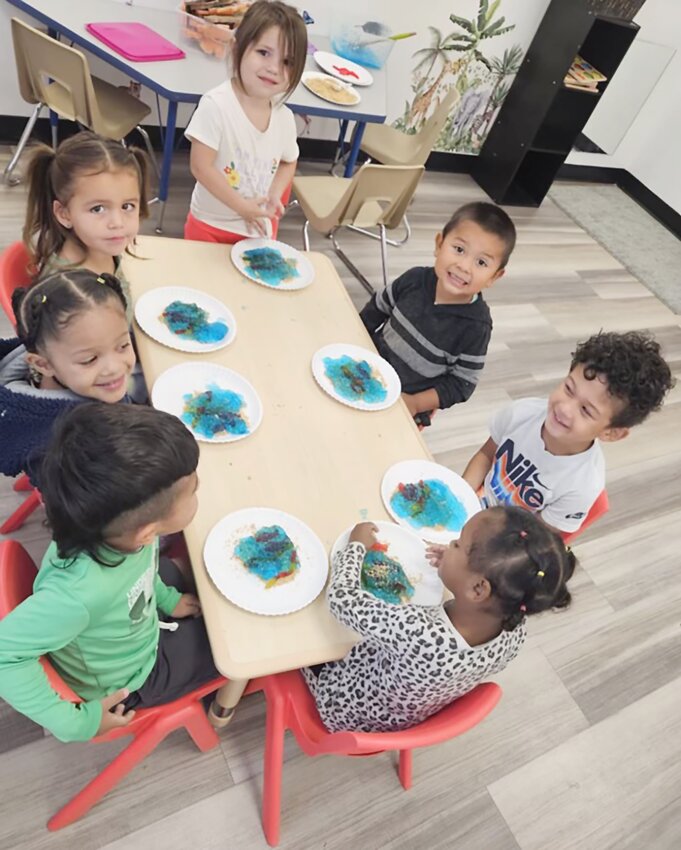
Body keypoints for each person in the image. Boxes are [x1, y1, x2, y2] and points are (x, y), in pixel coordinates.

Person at [0, 403, 219, 743]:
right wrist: (75, 723)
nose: (199, 490)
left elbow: (142, 571)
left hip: (132, 622)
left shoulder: (109, 529)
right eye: (193, 491)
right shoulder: (77, 595)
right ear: (147, 532)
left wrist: (168, 600)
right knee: (231, 651)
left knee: (197, 581)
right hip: (128, 679)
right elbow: (3, 656)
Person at [303, 506, 573, 733]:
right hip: (402, 717)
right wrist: (458, 566)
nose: (450, 544)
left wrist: (356, 546)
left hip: (340, 705)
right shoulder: (515, 625)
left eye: (457, 544)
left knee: (300, 624)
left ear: (478, 589)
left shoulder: (420, 633)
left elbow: (341, 599)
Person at [463, 330, 675, 534]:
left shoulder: (583, 485)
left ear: (611, 433)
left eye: (585, 410)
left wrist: (476, 533)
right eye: (568, 389)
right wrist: (460, 497)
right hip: (473, 503)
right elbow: (485, 455)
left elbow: (534, 536)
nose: (564, 408)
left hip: (500, 540)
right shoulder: (522, 412)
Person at [360, 202, 517, 425]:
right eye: (459, 249)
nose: (464, 266)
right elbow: (377, 308)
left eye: (481, 262)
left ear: (494, 276)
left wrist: (415, 403)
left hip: (402, 404)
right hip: (365, 366)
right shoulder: (414, 279)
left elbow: (462, 384)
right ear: (439, 244)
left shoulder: (476, 327)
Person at [0, 270, 142, 486]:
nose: (114, 368)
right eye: (90, 360)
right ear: (43, 365)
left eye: (122, 345)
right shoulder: (58, 447)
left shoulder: (69, 361)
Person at [184, 0, 307, 243]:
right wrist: (241, 206)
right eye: (264, 52)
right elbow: (200, 167)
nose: (273, 68)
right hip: (209, 224)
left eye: (287, 62)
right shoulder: (216, 105)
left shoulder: (285, 118)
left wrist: (274, 194)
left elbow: (288, 161)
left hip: (256, 227)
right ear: (238, 48)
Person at [22, 130, 151, 322]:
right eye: (98, 209)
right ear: (64, 214)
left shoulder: (101, 247)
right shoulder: (72, 295)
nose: (117, 222)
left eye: (127, 206)